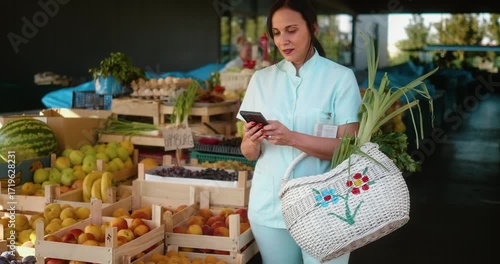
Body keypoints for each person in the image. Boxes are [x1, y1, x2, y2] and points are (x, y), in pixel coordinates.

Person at [236, 0, 362, 263]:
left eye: (292, 30)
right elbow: (248, 153)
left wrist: (291, 137)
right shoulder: (261, 79)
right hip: (270, 207)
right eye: (277, 33)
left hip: (328, 206)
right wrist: (252, 141)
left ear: (312, 28)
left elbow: (349, 148)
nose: (284, 40)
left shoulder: (340, 78)